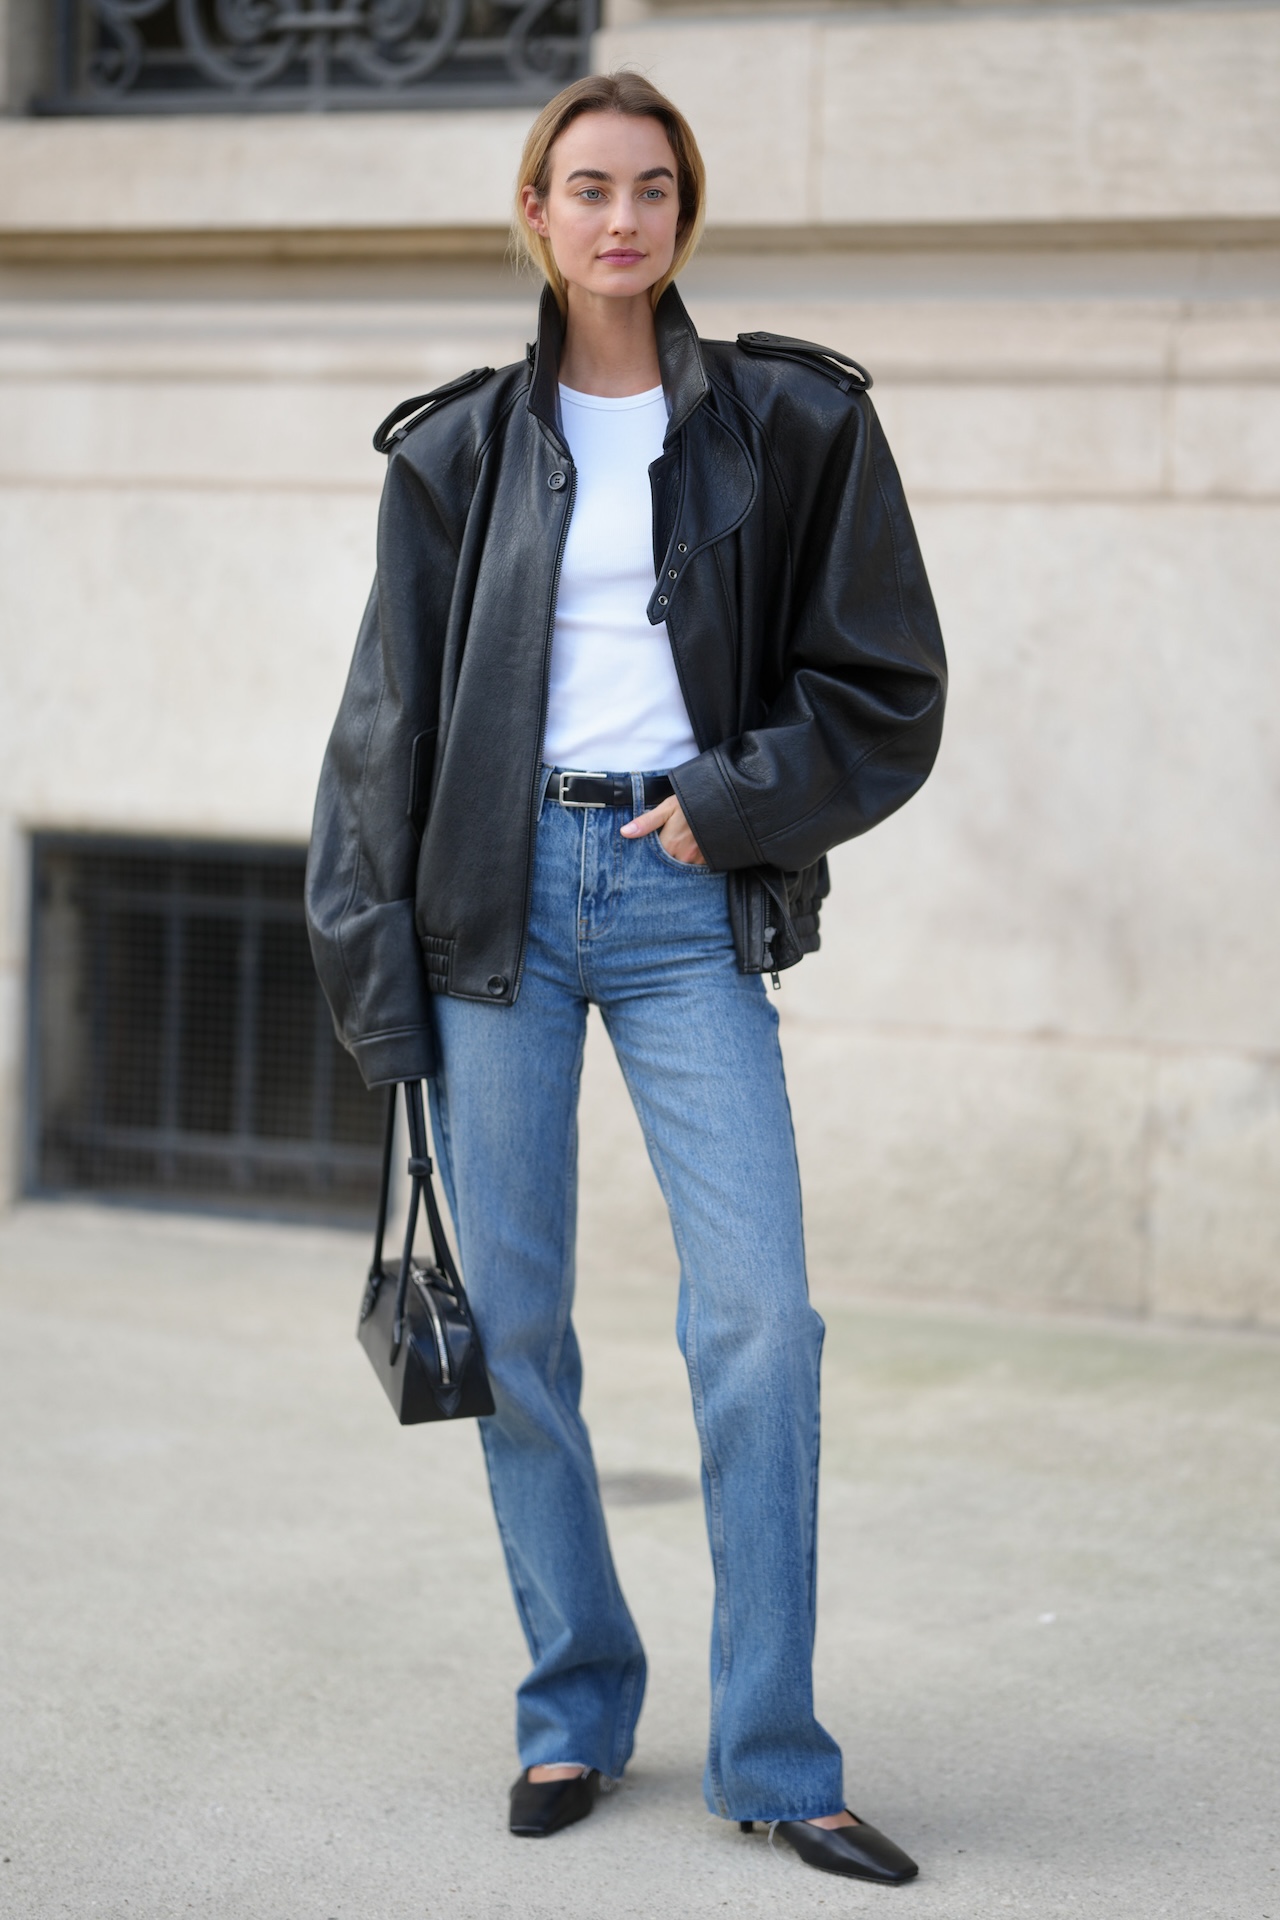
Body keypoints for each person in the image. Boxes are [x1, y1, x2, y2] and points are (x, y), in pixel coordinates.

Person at [305, 71, 946, 1885]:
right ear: (534, 212)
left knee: (762, 1325)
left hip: (682, 905)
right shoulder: (455, 457)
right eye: (586, 187)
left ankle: (775, 1754)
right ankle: (576, 1703)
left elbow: (888, 687)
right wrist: (378, 994)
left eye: (652, 188)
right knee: (516, 1342)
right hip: (494, 914)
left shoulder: (793, 424)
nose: (620, 219)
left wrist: (731, 800)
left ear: (685, 214)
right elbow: (381, 735)